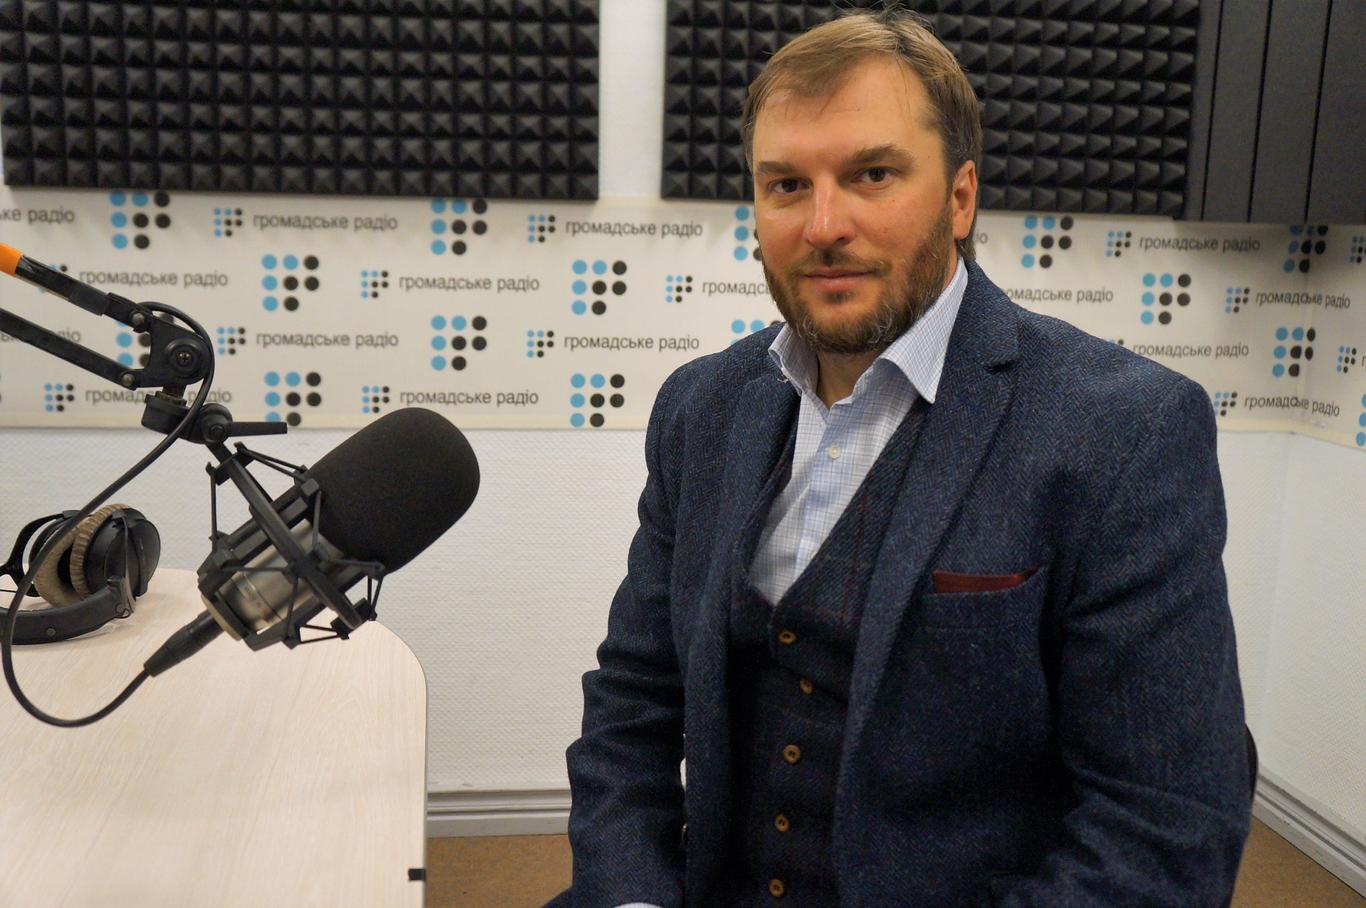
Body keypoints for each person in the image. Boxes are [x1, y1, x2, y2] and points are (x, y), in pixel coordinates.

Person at [552, 9, 1252, 907]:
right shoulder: (703, 406)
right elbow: (634, 700)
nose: (823, 224)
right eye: (786, 185)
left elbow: (1165, 827)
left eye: (872, 175)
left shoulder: (1124, 432)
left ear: (961, 198)